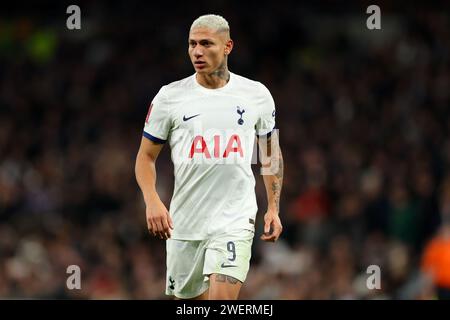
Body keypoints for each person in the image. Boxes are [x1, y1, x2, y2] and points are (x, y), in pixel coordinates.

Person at [135, 14, 284, 300]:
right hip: (184, 223)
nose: (197, 52)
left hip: (234, 220)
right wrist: (152, 200)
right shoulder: (169, 97)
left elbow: (270, 153)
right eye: (192, 44)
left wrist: (273, 208)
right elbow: (145, 158)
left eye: (206, 44)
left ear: (228, 46)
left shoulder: (256, 95)